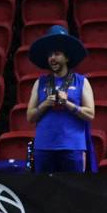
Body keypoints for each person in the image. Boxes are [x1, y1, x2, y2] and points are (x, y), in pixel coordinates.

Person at [23, 23, 95, 172]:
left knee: (73, 192)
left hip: (73, 147)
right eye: (50, 55)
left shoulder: (81, 81)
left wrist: (67, 103)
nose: (52, 58)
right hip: (43, 147)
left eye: (56, 54)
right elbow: (30, 117)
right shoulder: (40, 82)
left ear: (67, 57)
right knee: (44, 191)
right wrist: (45, 104)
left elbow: (90, 114)